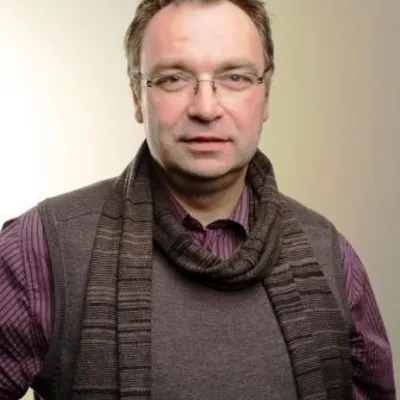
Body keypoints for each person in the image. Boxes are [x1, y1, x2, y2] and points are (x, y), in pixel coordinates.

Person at [0, 1, 396, 399]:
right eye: (174, 78)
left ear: (266, 95)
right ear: (137, 96)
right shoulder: (40, 249)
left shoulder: (331, 256)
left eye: (235, 77)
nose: (206, 108)